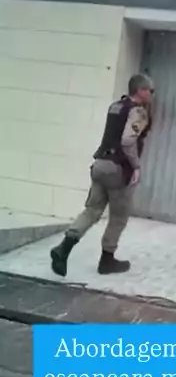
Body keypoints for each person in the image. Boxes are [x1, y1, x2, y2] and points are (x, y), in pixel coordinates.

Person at [50, 73, 154, 278]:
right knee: (118, 217)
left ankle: (64, 248)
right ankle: (107, 260)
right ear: (140, 91)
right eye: (151, 90)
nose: (152, 94)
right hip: (118, 169)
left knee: (92, 210)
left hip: (100, 164)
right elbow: (127, 141)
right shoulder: (138, 112)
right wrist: (136, 166)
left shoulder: (115, 106)